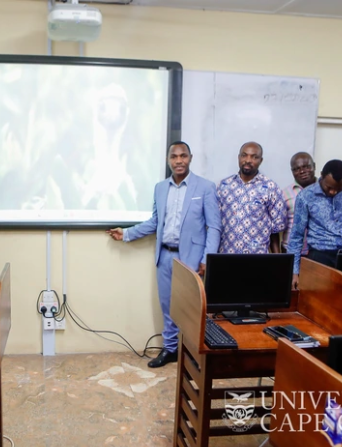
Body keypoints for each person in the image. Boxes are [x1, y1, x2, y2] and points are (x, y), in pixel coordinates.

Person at [107, 141, 221, 368]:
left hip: (191, 259)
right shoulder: (160, 188)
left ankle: (192, 354)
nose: (179, 161)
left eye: (183, 156)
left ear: (190, 158)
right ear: (169, 160)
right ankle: (170, 350)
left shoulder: (205, 187)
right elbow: (155, 222)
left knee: (191, 309)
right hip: (165, 257)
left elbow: (214, 226)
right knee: (167, 306)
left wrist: (206, 258)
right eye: (174, 157)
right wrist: (127, 234)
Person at [288, 160, 342, 289]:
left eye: (338, 189)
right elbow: (296, 236)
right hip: (319, 257)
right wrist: (294, 271)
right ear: (321, 175)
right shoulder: (305, 196)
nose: (333, 192)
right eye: (329, 187)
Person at [217, 142, 286, 254]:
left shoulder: (270, 187)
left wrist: (277, 262)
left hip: (257, 260)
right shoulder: (223, 186)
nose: (248, 160)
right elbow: (215, 226)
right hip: (226, 256)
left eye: (254, 157)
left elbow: (275, 232)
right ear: (238, 157)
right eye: (244, 155)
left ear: (261, 160)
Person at [281, 152, 316, 254]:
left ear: (314, 166)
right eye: (296, 169)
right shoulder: (284, 194)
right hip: (292, 251)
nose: (302, 171)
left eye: (306, 166)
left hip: (319, 252)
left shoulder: (326, 190)